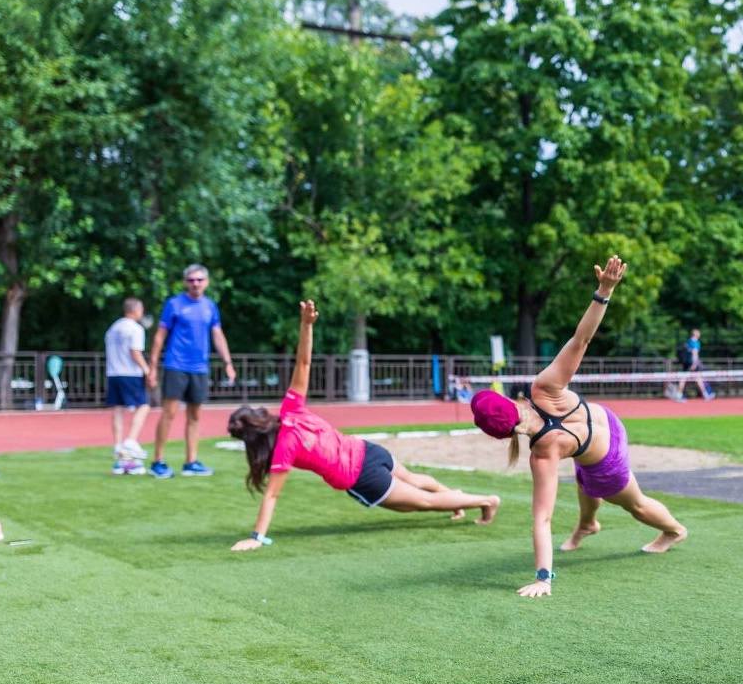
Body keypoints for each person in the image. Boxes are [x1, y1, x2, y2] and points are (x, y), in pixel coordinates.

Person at [470, 256, 687, 598]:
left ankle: (674, 531)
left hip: (608, 460)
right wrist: (604, 291)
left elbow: (542, 519)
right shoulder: (542, 387)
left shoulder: (543, 452)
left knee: (635, 503)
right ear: (512, 401)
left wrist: (544, 578)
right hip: (607, 421)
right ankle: (588, 524)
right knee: (584, 474)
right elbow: (580, 340)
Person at [228, 301, 499, 552]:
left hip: (360, 476)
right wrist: (306, 325)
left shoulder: (283, 449)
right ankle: (456, 498)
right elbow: (304, 363)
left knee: (420, 503)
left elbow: (272, 495)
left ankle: (484, 501)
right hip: (368, 450)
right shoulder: (291, 408)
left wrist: (256, 537)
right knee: (415, 481)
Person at [147, 264, 235, 478]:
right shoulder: (174, 304)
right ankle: (158, 461)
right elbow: (160, 336)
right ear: (185, 282)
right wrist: (152, 367)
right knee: (169, 413)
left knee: (195, 415)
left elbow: (217, 334)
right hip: (176, 364)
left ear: (206, 282)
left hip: (199, 367)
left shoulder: (210, 307)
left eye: (199, 280)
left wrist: (228, 362)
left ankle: (191, 462)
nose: (195, 284)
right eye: (191, 280)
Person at [104, 297, 152, 474]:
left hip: (113, 372)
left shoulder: (113, 328)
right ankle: (131, 441)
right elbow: (135, 353)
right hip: (130, 373)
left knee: (118, 409)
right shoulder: (135, 328)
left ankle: (120, 451)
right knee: (143, 406)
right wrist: (147, 370)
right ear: (136, 311)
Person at [678, 328, 714, 401]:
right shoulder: (696, 342)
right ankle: (705, 394)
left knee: (690, 378)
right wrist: (695, 364)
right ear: (696, 334)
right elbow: (695, 353)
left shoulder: (688, 341)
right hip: (692, 363)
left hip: (686, 363)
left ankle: (679, 394)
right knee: (695, 378)